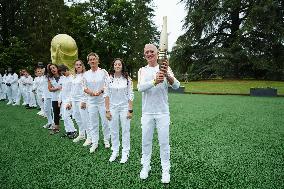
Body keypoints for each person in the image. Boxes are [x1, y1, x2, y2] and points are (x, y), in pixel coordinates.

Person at [137, 44, 180, 184]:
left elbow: (177, 85)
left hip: (162, 113)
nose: (149, 54)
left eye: (151, 52)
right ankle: (145, 167)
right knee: (146, 142)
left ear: (157, 54)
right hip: (147, 113)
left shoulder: (165, 68)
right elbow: (140, 88)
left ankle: (165, 170)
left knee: (164, 143)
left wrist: (166, 74)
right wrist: (155, 81)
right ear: (144, 55)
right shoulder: (142, 70)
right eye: (146, 52)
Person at [105, 58, 134, 163]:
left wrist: (130, 110)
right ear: (113, 66)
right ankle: (115, 151)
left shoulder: (127, 79)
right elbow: (106, 95)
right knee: (113, 130)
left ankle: (125, 153)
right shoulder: (108, 79)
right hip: (112, 107)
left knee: (125, 130)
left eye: (119, 64)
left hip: (124, 107)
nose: (117, 66)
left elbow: (130, 94)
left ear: (122, 66)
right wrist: (107, 110)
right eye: (116, 64)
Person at [82, 52, 110, 153]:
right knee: (93, 123)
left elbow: (108, 84)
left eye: (94, 59)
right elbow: (84, 87)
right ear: (88, 62)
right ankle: (95, 142)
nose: (92, 61)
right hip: (92, 102)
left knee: (105, 122)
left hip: (102, 101)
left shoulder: (103, 72)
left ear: (98, 60)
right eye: (90, 60)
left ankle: (106, 140)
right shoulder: (86, 74)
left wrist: (101, 91)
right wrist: (91, 93)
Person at [71, 60, 92, 145]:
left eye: (80, 65)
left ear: (83, 66)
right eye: (77, 65)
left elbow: (86, 89)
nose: (78, 66)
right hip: (74, 100)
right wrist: (70, 101)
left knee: (85, 119)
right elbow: (72, 90)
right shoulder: (74, 76)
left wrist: (84, 101)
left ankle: (89, 137)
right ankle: (82, 134)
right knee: (77, 117)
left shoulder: (85, 76)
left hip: (82, 100)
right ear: (75, 67)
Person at [58, 64, 77, 139]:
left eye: (63, 72)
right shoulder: (63, 78)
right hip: (63, 100)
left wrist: (70, 102)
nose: (63, 74)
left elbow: (73, 92)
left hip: (69, 100)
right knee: (64, 117)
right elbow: (61, 90)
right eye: (61, 73)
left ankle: (73, 131)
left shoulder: (72, 78)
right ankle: (68, 131)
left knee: (67, 116)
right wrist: (59, 100)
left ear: (66, 70)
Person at [47, 64, 62, 134]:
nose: (53, 69)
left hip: (63, 97)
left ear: (57, 68)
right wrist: (56, 88)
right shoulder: (50, 78)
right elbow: (49, 89)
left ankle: (71, 129)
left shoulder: (63, 76)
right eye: (51, 69)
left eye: (54, 67)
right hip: (55, 98)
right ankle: (56, 128)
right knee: (55, 113)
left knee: (66, 113)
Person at [42, 65, 54, 129]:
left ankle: (54, 124)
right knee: (46, 109)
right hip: (46, 95)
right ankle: (50, 122)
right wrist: (43, 96)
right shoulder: (44, 76)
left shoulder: (52, 76)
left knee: (53, 111)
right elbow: (44, 87)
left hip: (52, 95)